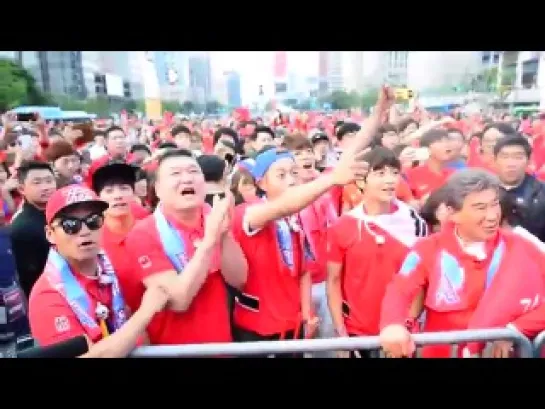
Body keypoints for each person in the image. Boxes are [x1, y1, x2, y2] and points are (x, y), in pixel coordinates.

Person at [230, 86, 393, 355]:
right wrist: (330, 179)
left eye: (294, 172)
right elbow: (284, 205)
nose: (292, 179)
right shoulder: (248, 214)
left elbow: (349, 153)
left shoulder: (292, 221)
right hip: (258, 330)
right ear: (260, 182)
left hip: (292, 325)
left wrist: (377, 115)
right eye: (281, 175)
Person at [379, 169, 545, 358]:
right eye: (480, 207)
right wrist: (393, 324)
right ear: (453, 213)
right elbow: (400, 290)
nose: (492, 216)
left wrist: (516, 330)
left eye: (495, 204)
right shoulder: (428, 248)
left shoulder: (523, 246)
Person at [124, 149, 248, 345]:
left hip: (220, 345)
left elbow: (239, 279)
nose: (187, 179)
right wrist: (209, 241)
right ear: (157, 189)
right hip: (173, 350)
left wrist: (223, 236)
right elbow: (179, 300)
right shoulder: (143, 234)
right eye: (175, 174)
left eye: (193, 171)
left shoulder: (213, 217)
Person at [28, 185, 169, 357]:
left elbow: (144, 336)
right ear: (50, 234)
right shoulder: (47, 295)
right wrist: (146, 312)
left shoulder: (114, 273)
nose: (85, 231)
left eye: (93, 221)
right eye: (71, 225)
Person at [327, 147, 427, 358]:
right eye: (380, 173)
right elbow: (334, 280)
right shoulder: (343, 226)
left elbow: (420, 280)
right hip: (357, 333)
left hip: (400, 333)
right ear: (361, 181)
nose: (390, 180)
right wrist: (340, 332)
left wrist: (407, 324)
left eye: (394, 173)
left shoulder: (414, 222)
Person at [10, 161, 56, 298]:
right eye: (37, 183)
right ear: (22, 189)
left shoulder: (59, 213)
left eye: (49, 181)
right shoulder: (23, 227)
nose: (46, 187)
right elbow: (29, 277)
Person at [494, 135, 545, 242]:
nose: (511, 164)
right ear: (495, 160)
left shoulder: (541, 193)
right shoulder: (482, 191)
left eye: (518, 157)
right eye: (505, 157)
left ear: (529, 160)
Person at [404, 129, 454, 203]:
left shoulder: (454, 175)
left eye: (447, 141)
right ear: (426, 149)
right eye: (440, 141)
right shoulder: (411, 174)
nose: (446, 145)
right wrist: (420, 203)